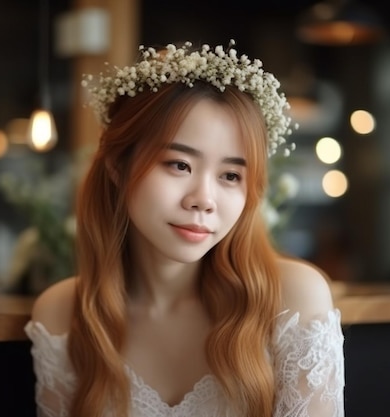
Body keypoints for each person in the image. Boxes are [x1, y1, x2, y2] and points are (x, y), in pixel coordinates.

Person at [25, 40, 345, 417]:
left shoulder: (292, 300)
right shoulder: (63, 315)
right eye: (179, 165)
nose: (203, 199)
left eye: (230, 175)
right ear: (117, 165)